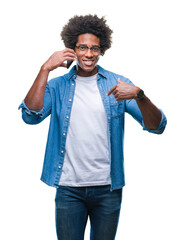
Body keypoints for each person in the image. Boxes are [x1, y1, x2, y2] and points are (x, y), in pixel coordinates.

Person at [19, 14, 167, 240]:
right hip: (68, 189)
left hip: (108, 189)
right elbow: (30, 117)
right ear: (73, 49)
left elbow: (157, 126)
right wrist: (45, 69)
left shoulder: (117, 83)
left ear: (102, 50)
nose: (89, 54)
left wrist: (139, 95)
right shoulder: (57, 86)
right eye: (83, 47)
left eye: (95, 49)